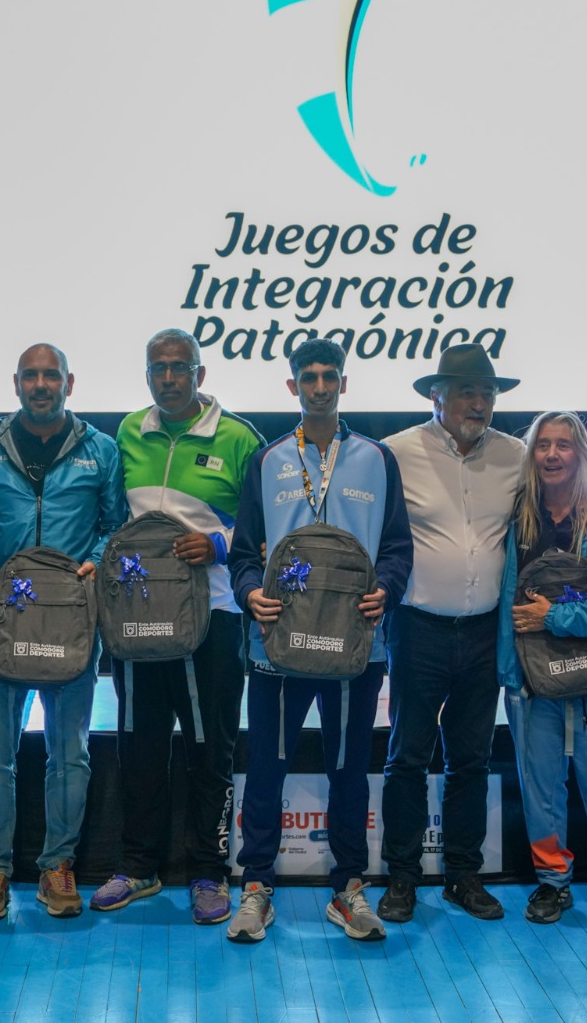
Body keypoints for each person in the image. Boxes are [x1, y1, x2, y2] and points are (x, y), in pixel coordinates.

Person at [376, 345, 587, 925]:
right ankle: (402, 877)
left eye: (487, 393)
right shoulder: (396, 453)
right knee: (408, 757)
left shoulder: (517, 456)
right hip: (416, 627)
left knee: (470, 759)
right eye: (466, 391)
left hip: (487, 631)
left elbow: (569, 484)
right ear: (436, 395)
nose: (479, 402)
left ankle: (463, 876)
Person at [226, 337, 412, 944]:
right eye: (309, 378)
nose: (321, 387)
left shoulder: (378, 459)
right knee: (266, 768)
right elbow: (242, 553)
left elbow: (397, 548)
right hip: (277, 646)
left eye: (330, 376)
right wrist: (250, 594)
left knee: (348, 770)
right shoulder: (267, 459)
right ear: (293, 387)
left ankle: (348, 888)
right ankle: (256, 887)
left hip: (356, 648)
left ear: (344, 384)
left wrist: (386, 589)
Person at [93, 329, 263, 923]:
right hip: (138, 617)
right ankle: (138, 866)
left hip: (213, 617)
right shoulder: (127, 433)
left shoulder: (239, 438)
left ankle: (209, 872)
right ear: (147, 375)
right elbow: (109, 516)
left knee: (209, 750)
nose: (169, 378)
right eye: (158, 368)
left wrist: (218, 544)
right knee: (139, 745)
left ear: (200, 373)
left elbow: (268, 528)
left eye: (179, 367)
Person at [0, 343, 127, 921]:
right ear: (15, 384)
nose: (40, 384)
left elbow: (114, 527)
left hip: (70, 620)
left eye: (50, 375)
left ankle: (59, 866)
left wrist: (96, 563)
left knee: (69, 754)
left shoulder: (100, 449)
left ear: (69, 383)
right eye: (30, 375)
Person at [497, 412, 587, 935]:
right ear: (531, 454)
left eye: (564, 444)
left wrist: (555, 617)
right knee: (540, 789)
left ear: (582, 454)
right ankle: (551, 881)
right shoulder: (513, 516)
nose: (553, 454)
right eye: (543, 445)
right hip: (530, 682)